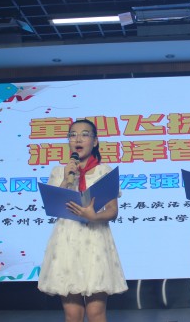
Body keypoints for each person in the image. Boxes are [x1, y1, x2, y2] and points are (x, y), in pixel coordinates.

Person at [38, 119, 127, 322]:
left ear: (95, 142)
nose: (78, 139)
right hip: (66, 240)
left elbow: (112, 211)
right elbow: (53, 205)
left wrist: (94, 217)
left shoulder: (104, 171)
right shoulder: (59, 171)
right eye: (73, 135)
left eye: (85, 134)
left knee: (96, 313)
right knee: (72, 314)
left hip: (95, 239)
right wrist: (67, 178)